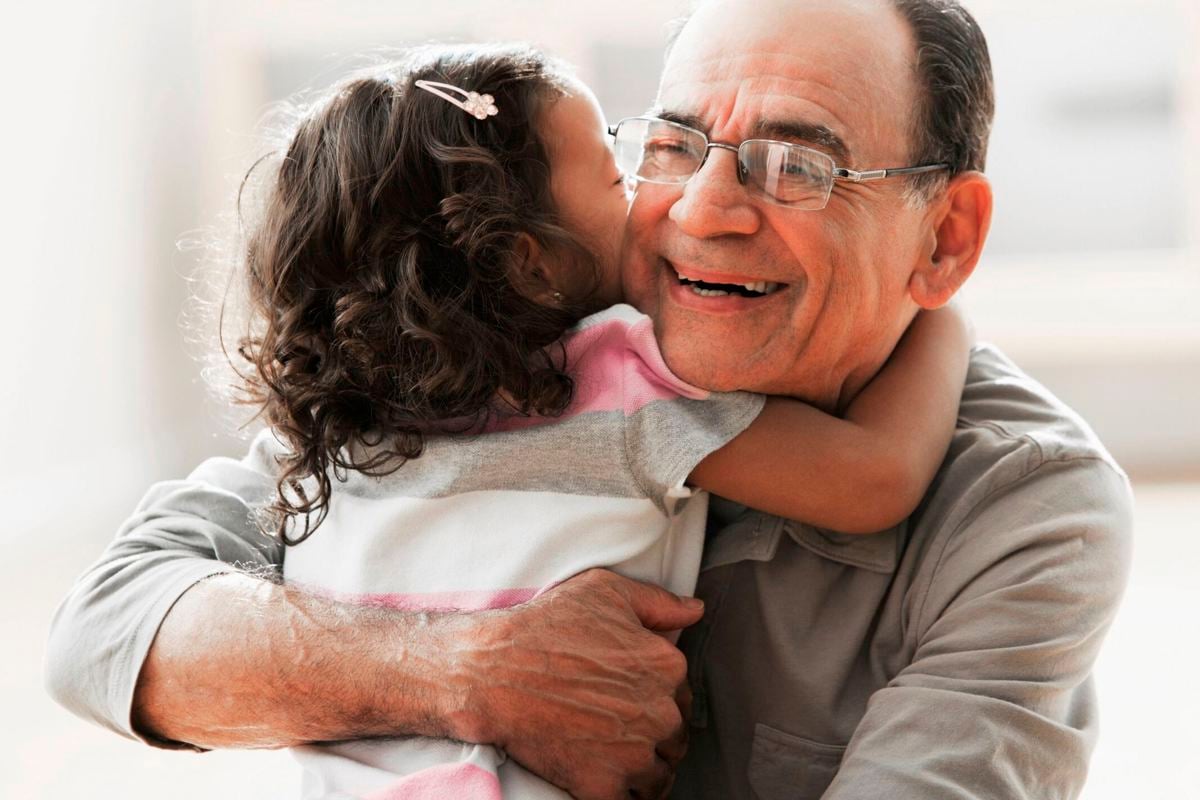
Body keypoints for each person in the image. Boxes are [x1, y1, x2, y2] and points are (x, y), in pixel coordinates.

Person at [45, 1, 1134, 799]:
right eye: (668, 146)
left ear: (945, 237)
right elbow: (109, 631)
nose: (703, 211)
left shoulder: (1026, 503)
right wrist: (468, 675)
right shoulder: (484, 368)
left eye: (794, 164)